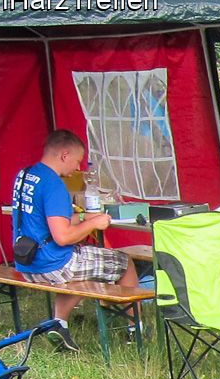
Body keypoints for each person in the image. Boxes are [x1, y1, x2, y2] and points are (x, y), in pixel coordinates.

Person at [11, 129, 139, 350]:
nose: (78, 168)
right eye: (77, 161)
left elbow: (49, 220)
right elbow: (63, 237)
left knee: (84, 269)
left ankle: (59, 324)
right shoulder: (54, 185)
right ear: (64, 155)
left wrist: (82, 217)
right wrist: (94, 224)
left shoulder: (26, 175)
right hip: (53, 264)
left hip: (26, 263)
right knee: (125, 262)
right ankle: (135, 331)